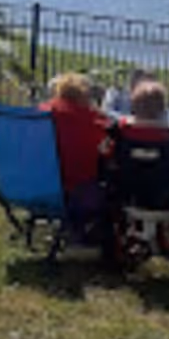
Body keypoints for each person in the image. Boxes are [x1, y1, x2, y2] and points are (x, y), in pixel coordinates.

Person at [39, 72, 109, 240]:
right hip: (75, 192)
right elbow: (107, 150)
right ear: (85, 96)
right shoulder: (93, 121)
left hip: (36, 185)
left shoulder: (40, 114)